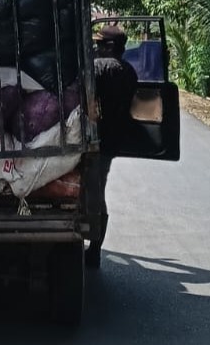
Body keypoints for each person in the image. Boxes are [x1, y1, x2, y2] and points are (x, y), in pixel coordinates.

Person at [89, 25, 139, 268]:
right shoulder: (130, 72)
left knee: (93, 191)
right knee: (99, 189)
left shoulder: (99, 68)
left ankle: (93, 247)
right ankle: (95, 247)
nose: (96, 49)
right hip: (112, 142)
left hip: (93, 140)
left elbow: (88, 102)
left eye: (99, 45)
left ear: (109, 48)